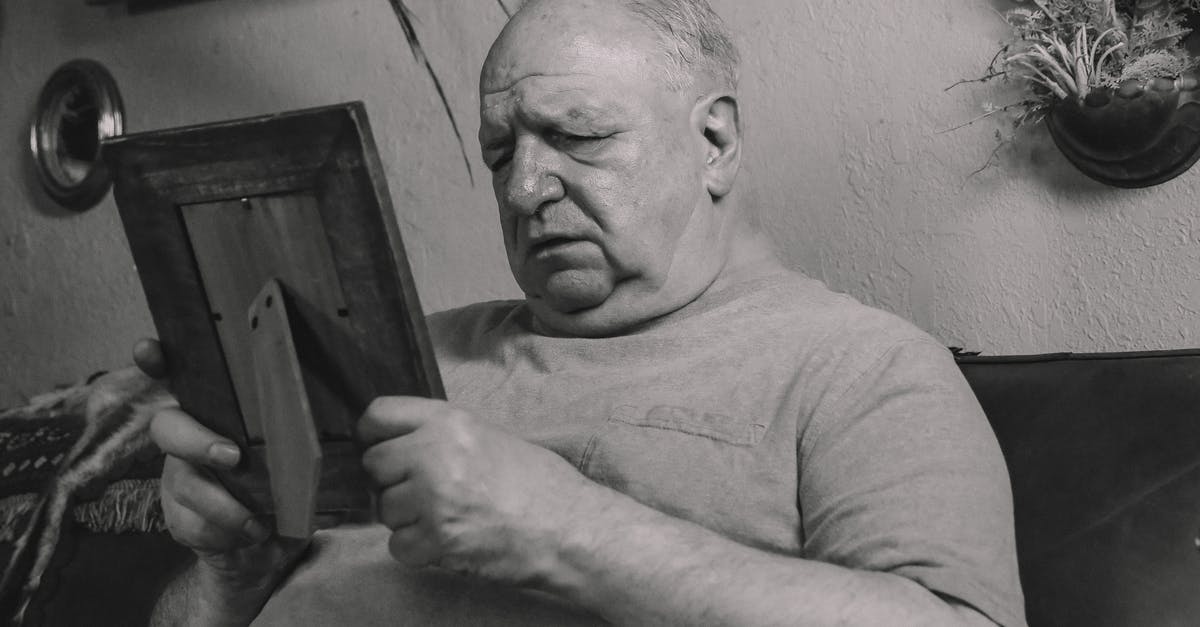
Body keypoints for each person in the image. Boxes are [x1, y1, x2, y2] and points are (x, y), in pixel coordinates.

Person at [145, 0, 1026, 625]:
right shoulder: (403, 351)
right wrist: (232, 572)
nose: (525, 188)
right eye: (500, 154)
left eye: (577, 136)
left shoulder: (860, 366)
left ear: (714, 140)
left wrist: (561, 526)